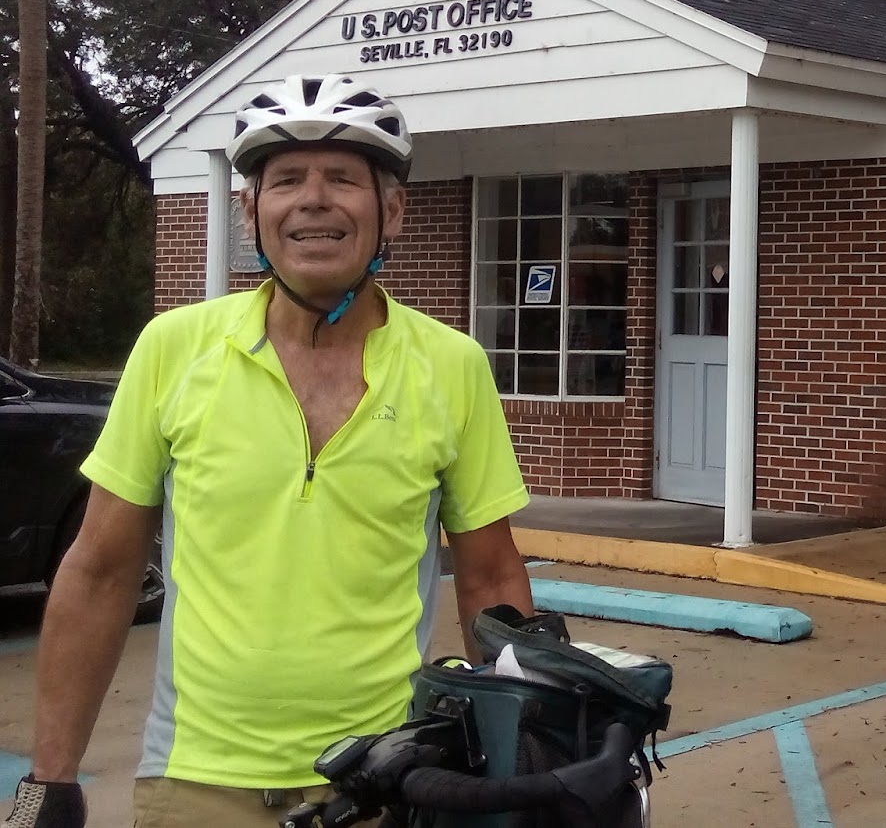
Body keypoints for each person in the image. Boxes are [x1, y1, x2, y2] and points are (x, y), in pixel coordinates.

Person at [6, 75, 535, 828]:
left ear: (391, 211)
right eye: (286, 180)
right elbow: (99, 571)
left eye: (342, 178)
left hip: (383, 778)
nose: (313, 200)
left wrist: (523, 751)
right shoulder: (173, 349)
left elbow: (490, 574)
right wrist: (48, 780)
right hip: (194, 782)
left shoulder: (453, 366)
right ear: (251, 211)